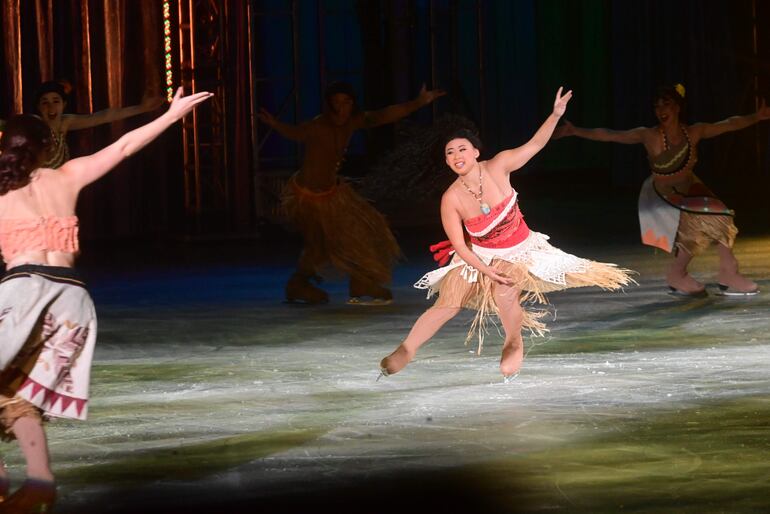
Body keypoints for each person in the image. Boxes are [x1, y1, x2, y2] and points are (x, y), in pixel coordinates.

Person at [0, 88, 211, 512]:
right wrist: (171, 116)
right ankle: (40, 480)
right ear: (48, 146)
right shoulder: (67, 176)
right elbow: (125, 145)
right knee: (17, 394)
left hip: (26, 293)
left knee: (8, 390)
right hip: (73, 300)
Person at [379, 88, 634, 379]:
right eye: (450, 152)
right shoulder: (451, 198)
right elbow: (460, 248)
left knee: (505, 291)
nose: (456, 155)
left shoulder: (499, 166)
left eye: (462, 149)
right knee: (449, 301)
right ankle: (408, 348)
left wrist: (555, 115)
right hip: (478, 256)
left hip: (520, 249)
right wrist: (484, 269)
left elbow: (536, 144)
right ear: (447, 161)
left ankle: (514, 341)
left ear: (476, 152)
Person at [553, 84, 769, 296]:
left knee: (721, 219)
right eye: (657, 106)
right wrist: (575, 130)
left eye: (666, 104)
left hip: (692, 188)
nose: (661, 110)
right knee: (704, 223)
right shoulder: (649, 136)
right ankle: (687, 275)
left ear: (677, 107)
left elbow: (729, 124)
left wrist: (755, 117)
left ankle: (716, 274)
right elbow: (610, 134)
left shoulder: (694, 132)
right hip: (662, 192)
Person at [258, 82, 445, 305]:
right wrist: (276, 124)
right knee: (320, 244)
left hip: (333, 193)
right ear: (330, 105)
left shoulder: (353, 122)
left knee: (364, 230)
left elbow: (383, 115)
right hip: (308, 197)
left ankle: (360, 281)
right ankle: (299, 284)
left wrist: (418, 103)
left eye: (346, 102)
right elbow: (297, 133)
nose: (342, 107)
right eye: (337, 102)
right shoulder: (319, 125)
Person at [33, 80, 165, 168]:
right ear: (39, 107)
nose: (51, 107)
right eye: (45, 102)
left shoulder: (65, 123)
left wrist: (141, 108)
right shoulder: (34, 127)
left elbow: (103, 117)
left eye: (56, 101)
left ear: (64, 105)